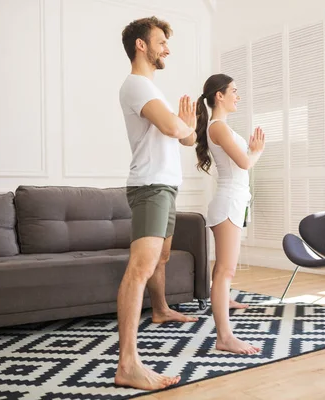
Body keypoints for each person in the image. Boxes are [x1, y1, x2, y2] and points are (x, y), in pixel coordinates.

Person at [115, 16, 198, 390]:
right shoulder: (136, 85)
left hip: (166, 185)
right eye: (161, 41)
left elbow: (186, 138)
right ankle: (128, 364)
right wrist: (183, 125)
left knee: (161, 258)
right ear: (141, 45)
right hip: (150, 186)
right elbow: (174, 130)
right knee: (140, 268)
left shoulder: (152, 89)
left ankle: (161, 310)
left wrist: (185, 126)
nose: (167, 48)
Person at [195, 74, 265, 355]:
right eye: (234, 91)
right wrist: (256, 151)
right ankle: (224, 338)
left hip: (233, 202)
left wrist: (251, 152)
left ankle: (223, 300)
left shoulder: (220, 127)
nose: (238, 95)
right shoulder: (219, 127)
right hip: (227, 204)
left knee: (225, 270)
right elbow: (245, 162)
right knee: (225, 270)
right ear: (219, 95)